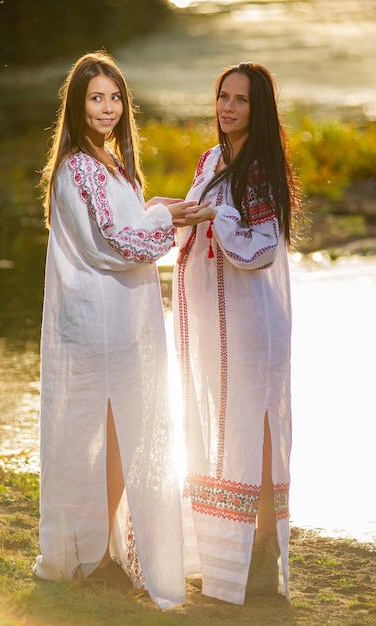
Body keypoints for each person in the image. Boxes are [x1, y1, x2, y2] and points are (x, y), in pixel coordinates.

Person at [32, 50, 214, 610]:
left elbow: (123, 221)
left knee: (112, 435)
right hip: (98, 323)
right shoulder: (77, 166)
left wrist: (155, 204)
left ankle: (103, 551)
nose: (107, 108)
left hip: (117, 316)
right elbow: (113, 242)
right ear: (77, 104)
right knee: (101, 434)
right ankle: (96, 557)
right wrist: (166, 219)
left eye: (114, 97)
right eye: (96, 98)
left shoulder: (108, 161)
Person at [173, 62, 300, 605]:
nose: (227, 107)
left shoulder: (260, 170)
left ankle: (262, 556)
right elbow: (197, 216)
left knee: (258, 433)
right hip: (212, 328)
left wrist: (216, 217)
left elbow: (262, 246)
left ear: (259, 108)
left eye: (240, 100)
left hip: (251, 326)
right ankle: (222, 555)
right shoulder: (210, 160)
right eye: (223, 96)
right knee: (214, 430)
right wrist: (171, 213)